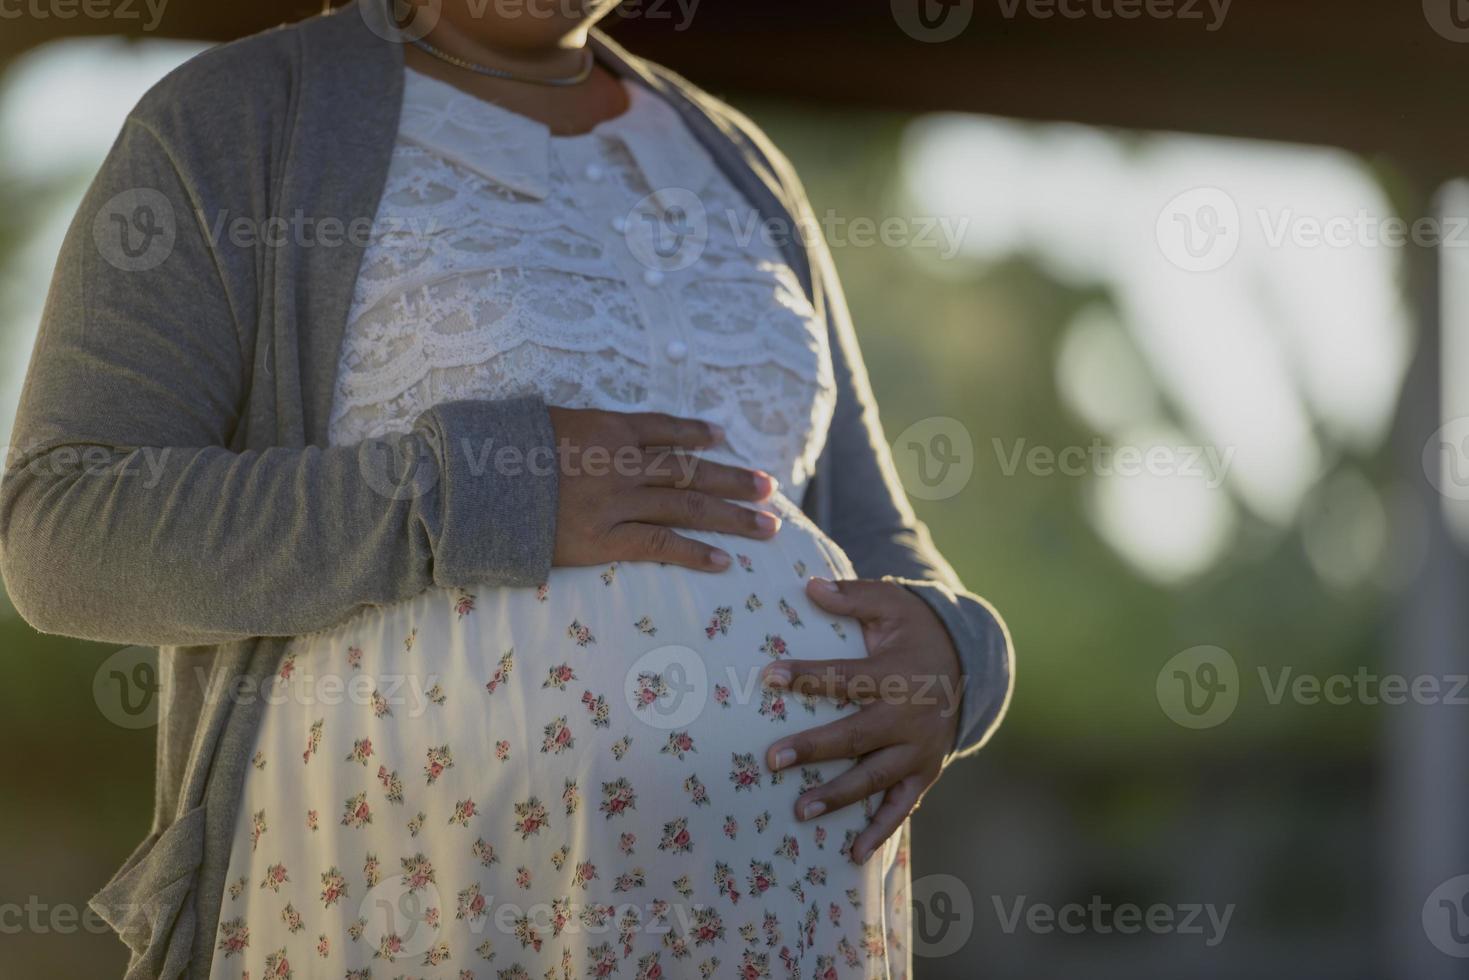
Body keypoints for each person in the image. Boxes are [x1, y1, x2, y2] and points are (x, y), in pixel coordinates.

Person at [0, 1, 1013, 976]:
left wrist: (956, 655)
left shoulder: (739, 166)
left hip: (770, 911)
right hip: (419, 895)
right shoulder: (239, 118)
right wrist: (476, 490)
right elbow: (64, 531)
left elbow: (874, 532)